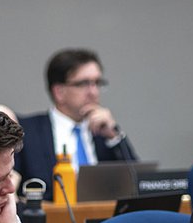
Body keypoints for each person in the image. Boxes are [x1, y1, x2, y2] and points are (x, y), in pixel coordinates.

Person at [17, 48, 137, 198]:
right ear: (59, 92)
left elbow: (137, 184)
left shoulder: (104, 133)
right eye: (84, 84)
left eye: (97, 83)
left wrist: (114, 137)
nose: (93, 92)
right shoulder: (28, 132)